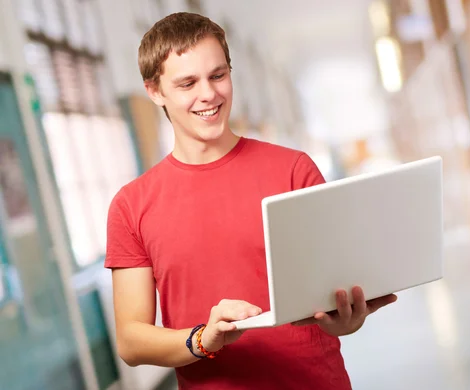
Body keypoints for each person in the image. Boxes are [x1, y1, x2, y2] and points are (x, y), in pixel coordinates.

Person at [105, 12, 398, 390]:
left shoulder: (294, 170)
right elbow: (130, 340)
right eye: (187, 83)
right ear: (155, 90)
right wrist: (203, 338)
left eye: (217, 75)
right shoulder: (131, 206)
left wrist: (347, 319)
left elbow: (333, 292)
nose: (208, 94)